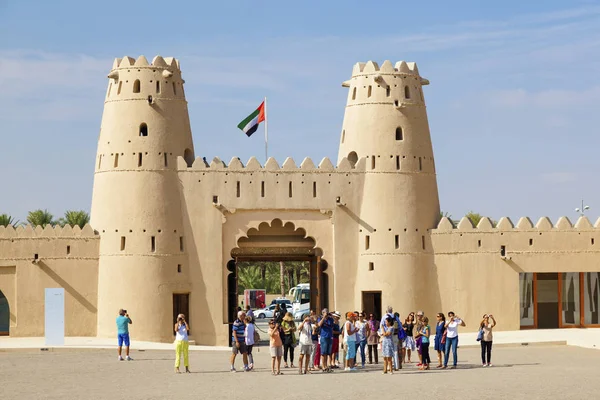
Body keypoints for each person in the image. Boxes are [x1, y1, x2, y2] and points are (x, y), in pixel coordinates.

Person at [317, 308, 334, 372]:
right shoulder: (320, 318)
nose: (326, 313)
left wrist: (330, 316)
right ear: (322, 313)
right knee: (323, 352)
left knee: (327, 352)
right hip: (323, 337)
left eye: (327, 312)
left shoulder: (330, 319)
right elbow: (319, 325)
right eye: (325, 312)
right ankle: (323, 366)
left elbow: (333, 325)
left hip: (330, 336)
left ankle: (326, 365)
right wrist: (323, 318)